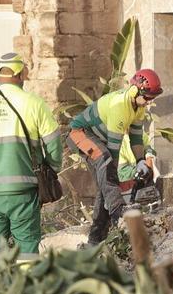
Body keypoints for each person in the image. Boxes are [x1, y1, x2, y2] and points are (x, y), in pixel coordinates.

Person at [0, 53, 62, 259]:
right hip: (24, 190)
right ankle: (25, 289)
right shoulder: (34, 103)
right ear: (19, 74)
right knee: (27, 245)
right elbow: (53, 142)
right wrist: (52, 169)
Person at [69, 69, 163, 246]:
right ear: (135, 90)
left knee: (105, 184)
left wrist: (140, 160)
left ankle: (96, 238)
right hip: (80, 133)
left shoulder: (138, 106)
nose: (150, 101)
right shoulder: (120, 105)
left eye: (152, 98)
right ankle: (118, 216)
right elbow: (113, 151)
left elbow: (135, 136)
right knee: (106, 163)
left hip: (99, 140)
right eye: (148, 97)